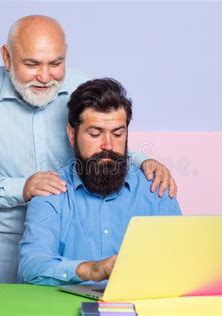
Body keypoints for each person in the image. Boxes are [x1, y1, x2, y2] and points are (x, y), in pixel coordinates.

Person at [0, 16, 177, 283]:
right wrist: (21, 188)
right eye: (32, 64)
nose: (45, 76)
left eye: (56, 63)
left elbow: (102, 138)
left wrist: (143, 161)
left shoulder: (80, 87)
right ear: (7, 57)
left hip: (65, 257)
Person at [18, 78, 181, 285]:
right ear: (71, 134)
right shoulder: (51, 190)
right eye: (95, 134)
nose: (108, 145)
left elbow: (181, 260)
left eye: (118, 133)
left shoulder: (155, 187)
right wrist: (91, 270)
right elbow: (31, 267)